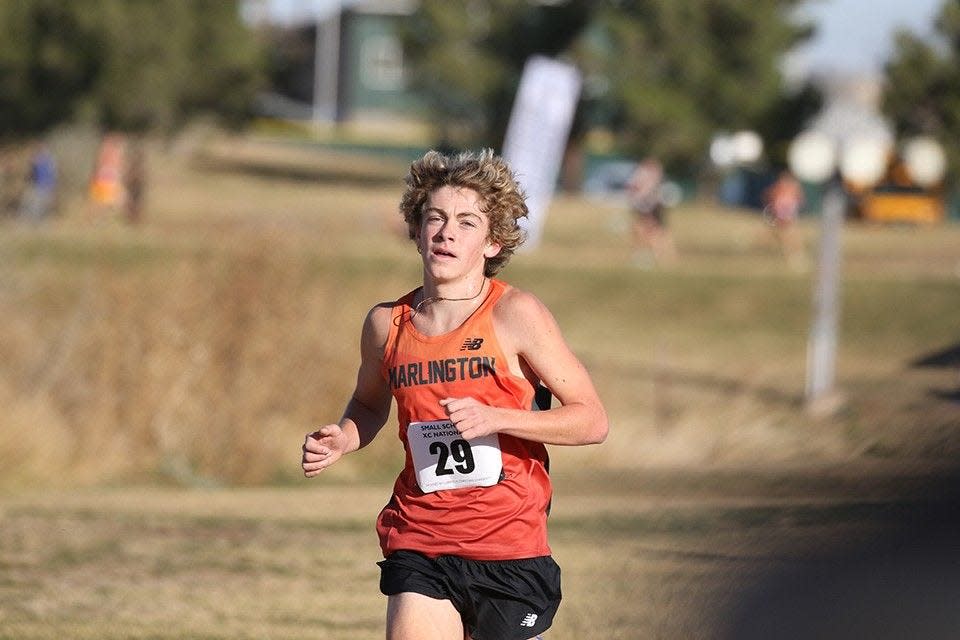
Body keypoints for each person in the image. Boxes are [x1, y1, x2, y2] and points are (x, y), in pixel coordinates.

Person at [302, 149, 608, 640]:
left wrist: (498, 418)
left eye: (467, 223)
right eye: (435, 218)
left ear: (493, 243)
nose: (446, 232)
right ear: (416, 230)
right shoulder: (386, 324)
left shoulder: (516, 315)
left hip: (509, 547)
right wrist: (342, 438)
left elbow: (591, 420)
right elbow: (368, 403)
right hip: (421, 538)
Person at [626, 157, 675, 267]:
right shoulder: (650, 174)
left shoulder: (646, 174)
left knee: (651, 231)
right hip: (649, 206)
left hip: (649, 206)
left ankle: (658, 255)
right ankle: (661, 255)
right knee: (653, 231)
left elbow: (638, 189)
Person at [762, 170, 807, 271]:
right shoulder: (783, 187)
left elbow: (800, 199)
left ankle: (792, 253)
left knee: (787, 233)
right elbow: (770, 195)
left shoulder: (790, 187)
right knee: (787, 233)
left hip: (786, 209)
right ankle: (793, 254)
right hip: (783, 209)